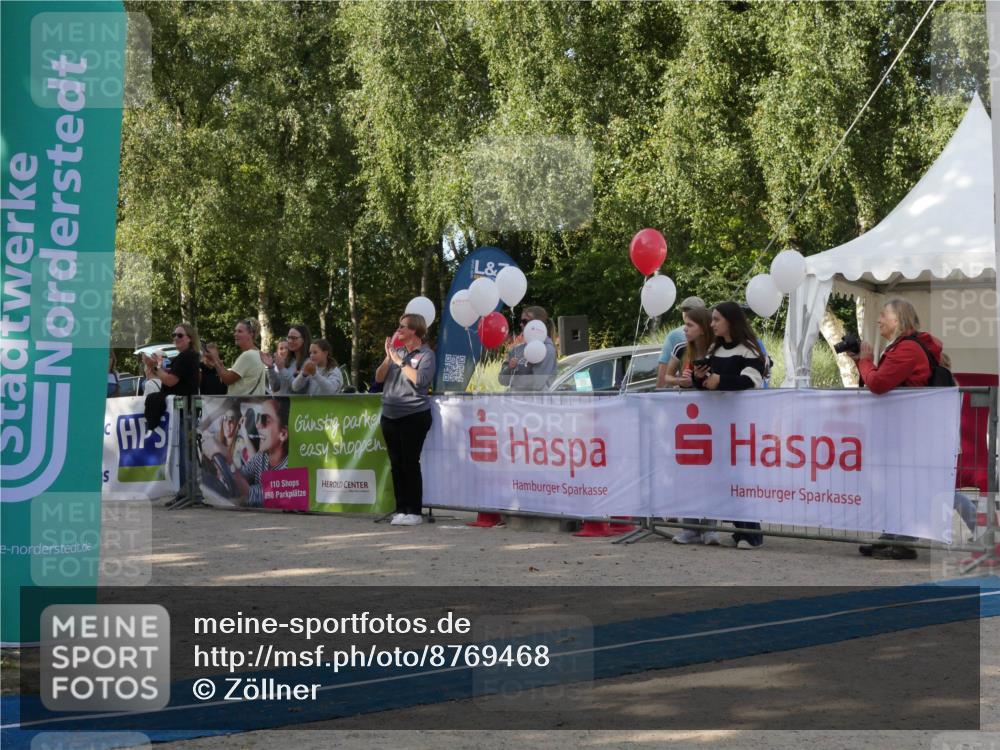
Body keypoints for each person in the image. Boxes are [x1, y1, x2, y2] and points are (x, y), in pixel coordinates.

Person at [848, 297, 975, 560]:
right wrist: (862, 361)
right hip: (909, 430)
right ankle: (894, 537)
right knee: (905, 484)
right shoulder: (900, 348)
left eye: (884, 314)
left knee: (927, 486)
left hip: (915, 432)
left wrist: (866, 360)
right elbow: (878, 382)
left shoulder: (906, 350)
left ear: (898, 319)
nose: (879, 319)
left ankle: (980, 525)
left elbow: (879, 383)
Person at [692, 301, 768, 549]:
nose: (711, 324)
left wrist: (719, 380)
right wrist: (699, 377)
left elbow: (751, 381)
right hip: (717, 423)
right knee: (723, 477)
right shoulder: (715, 348)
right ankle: (739, 529)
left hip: (742, 423)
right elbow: (705, 382)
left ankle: (751, 534)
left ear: (730, 321)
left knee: (740, 478)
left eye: (716, 320)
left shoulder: (750, 349)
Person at [375, 313, 436, 526]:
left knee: (410, 463)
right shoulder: (396, 353)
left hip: (414, 415)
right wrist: (387, 357)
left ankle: (414, 511)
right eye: (398, 327)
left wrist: (400, 362)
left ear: (414, 331)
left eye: (402, 327)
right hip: (390, 414)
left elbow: (420, 380)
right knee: (396, 463)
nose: (398, 330)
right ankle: (401, 509)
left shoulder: (426, 355)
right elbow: (378, 378)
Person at [665, 307, 718, 545]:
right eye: (685, 325)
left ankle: (710, 528)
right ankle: (689, 527)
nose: (684, 329)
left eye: (690, 325)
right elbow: (666, 377)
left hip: (711, 417)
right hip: (685, 417)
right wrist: (681, 381)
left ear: (703, 327)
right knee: (687, 474)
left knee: (709, 474)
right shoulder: (681, 349)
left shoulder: (717, 349)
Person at [499, 306, 557, 391]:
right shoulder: (516, 349)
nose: (521, 324)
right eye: (521, 321)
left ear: (537, 323)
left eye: (524, 321)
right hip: (514, 401)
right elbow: (502, 380)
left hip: (536, 402)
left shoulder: (548, 350)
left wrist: (516, 379)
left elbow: (537, 384)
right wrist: (509, 368)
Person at [203, 318, 267, 396]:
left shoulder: (248, 355)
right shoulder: (258, 353)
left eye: (240, 331)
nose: (235, 334)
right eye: (235, 331)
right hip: (253, 405)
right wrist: (219, 363)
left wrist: (215, 361)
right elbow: (231, 375)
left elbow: (227, 379)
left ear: (251, 334)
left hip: (242, 406)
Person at [656, 296, 707, 388]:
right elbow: (664, 376)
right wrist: (681, 381)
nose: (685, 330)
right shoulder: (676, 339)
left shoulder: (716, 343)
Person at [264, 324, 310, 394]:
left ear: (304, 339)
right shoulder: (289, 361)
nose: (290, 341)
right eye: (289, 337)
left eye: (294, 338)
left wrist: (282, 369)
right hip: (283, 404)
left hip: (298, 404)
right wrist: (270, 368)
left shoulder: (309, 363)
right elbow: (275, 387)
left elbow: (297, 388)